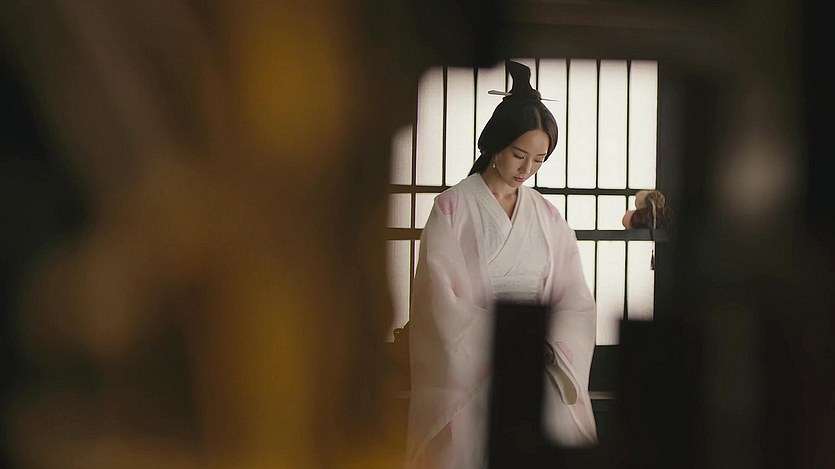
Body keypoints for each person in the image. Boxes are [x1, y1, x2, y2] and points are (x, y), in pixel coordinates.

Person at [405, 61, 598, 469]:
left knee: (550, 432)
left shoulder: (547, 215)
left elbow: (575, 299)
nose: (527, 169)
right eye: (518, 155)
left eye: (539, 160)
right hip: (476, 368)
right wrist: (505, 340)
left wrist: (546, 344)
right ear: (495, 145)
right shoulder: (453, 207)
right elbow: (440, 299)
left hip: (540, 361)